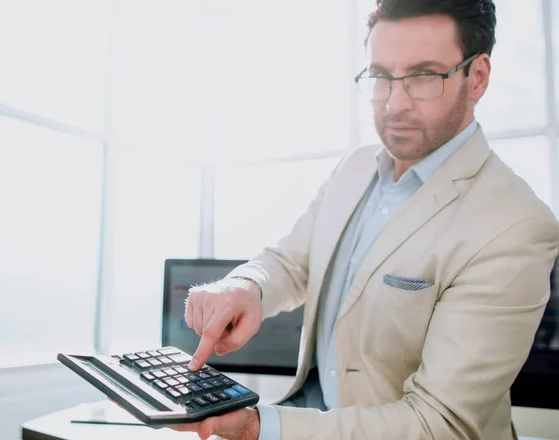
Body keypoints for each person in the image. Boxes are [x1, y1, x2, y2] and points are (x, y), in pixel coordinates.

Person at [172, 0, 559, 438]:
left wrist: (261, 428)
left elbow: (441, 424)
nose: (393, 104)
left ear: (478, 78)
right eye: (380, 77)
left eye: (423, 76)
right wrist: (247, 285)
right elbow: (294, 261)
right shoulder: (354, 167)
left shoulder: (515, 226)